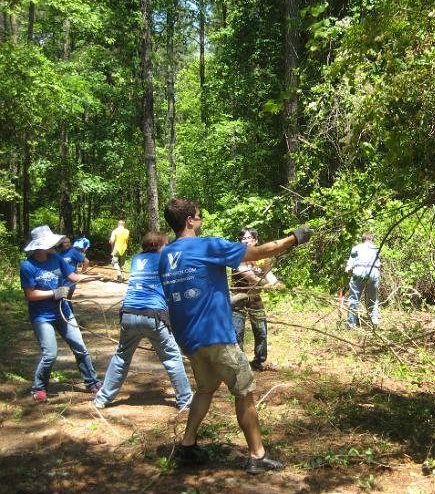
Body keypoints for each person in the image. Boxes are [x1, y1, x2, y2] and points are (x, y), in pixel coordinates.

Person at [158, 197, 311, 473]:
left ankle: (188, 446)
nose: (201, 219)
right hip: (215, 335)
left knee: (206, 388)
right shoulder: (207, 245)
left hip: (188, 338)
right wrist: (295, 238)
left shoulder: (166, 257)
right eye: (199, 215)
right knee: (244, 390)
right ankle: (257, 455)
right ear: (190, 220)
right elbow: (259, 251)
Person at [94, 231, 192, 410]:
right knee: (172, 357)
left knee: (121, 357)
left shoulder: (137, 260)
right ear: (161, 245)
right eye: (167, 243)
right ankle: (185, 400)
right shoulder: (166, 259)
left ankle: (102, 399)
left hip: (129, 313)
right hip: (152, 315)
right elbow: (181, 278)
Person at [20, 225, 102, 402]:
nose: (54, 245)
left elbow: (72, 276)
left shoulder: (56, 258)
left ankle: (92, 382)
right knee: (50, 354)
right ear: (40, 246)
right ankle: (39, 388)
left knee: (80, 348)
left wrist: (96, 277)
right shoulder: (27, 266)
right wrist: (54, 293)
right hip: (42, 317)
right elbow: (30, 295)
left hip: (63, 311)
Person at [231, 228, 273, 372]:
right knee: (237, 332)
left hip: (255, 299)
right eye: (244, 238)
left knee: (261, 331)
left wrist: (276, 284)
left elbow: (269, 275)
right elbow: (247, 273)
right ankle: (239, 363)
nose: (247, 240)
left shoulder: (263, 259)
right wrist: (263, 283)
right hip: (238, 299)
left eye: (249, 238)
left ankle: (259, 360)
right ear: (239, 241)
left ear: (255, 241)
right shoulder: (236, 256)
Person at [345, 232, 381, 328]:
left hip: (359, 272)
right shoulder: (376, 248)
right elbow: (379, 262)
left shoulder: (356, 248)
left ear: (363, 239)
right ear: (371, 239)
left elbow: (350, 263)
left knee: (354, 298)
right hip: (373, 272)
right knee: (373, 298)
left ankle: (351, 323)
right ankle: (374, 320)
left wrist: (347, 269)